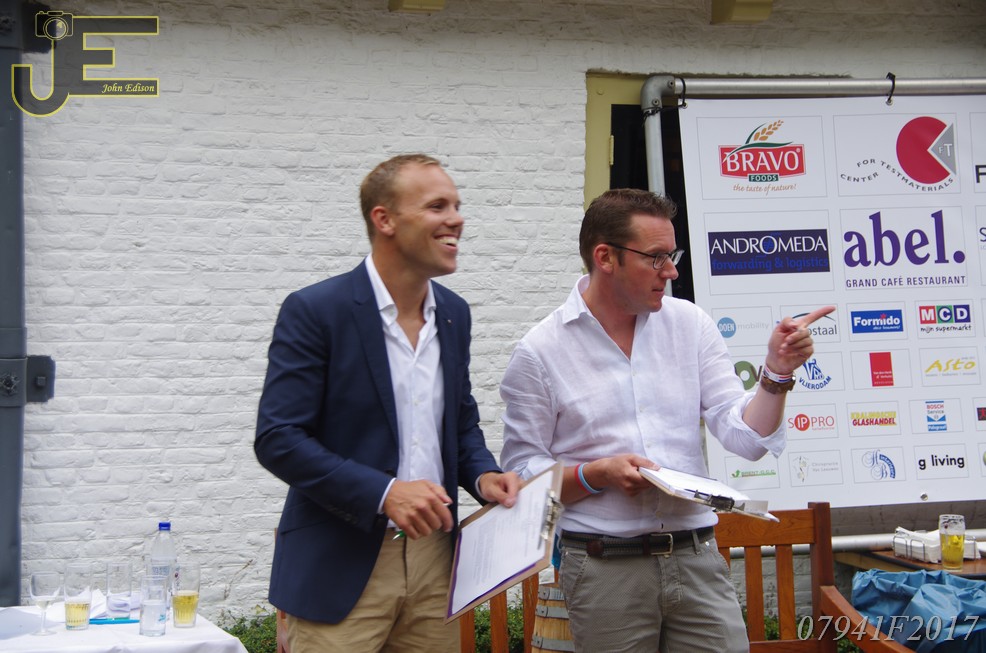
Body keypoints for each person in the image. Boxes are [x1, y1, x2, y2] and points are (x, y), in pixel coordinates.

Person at [499, 188, 834, 653]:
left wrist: (776, 373)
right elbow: (520, 474)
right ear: (605, 257)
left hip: (696, 554)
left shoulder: (690, 325)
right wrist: (596, 475)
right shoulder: (540, 351)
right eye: (656, 257)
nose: (671, 271)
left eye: (672, 256)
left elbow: (745, 438)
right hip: (604, 566)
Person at [255, 154, 520, 653]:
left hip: (435, 561)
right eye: (437, 206)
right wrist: (385, 493)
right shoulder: (315, 310)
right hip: (341, 563)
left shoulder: (454, 314)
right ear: (385, 219)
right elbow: (278, 439)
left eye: (456, 205)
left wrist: (483, 475)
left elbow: (459, 423)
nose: (456, 218)